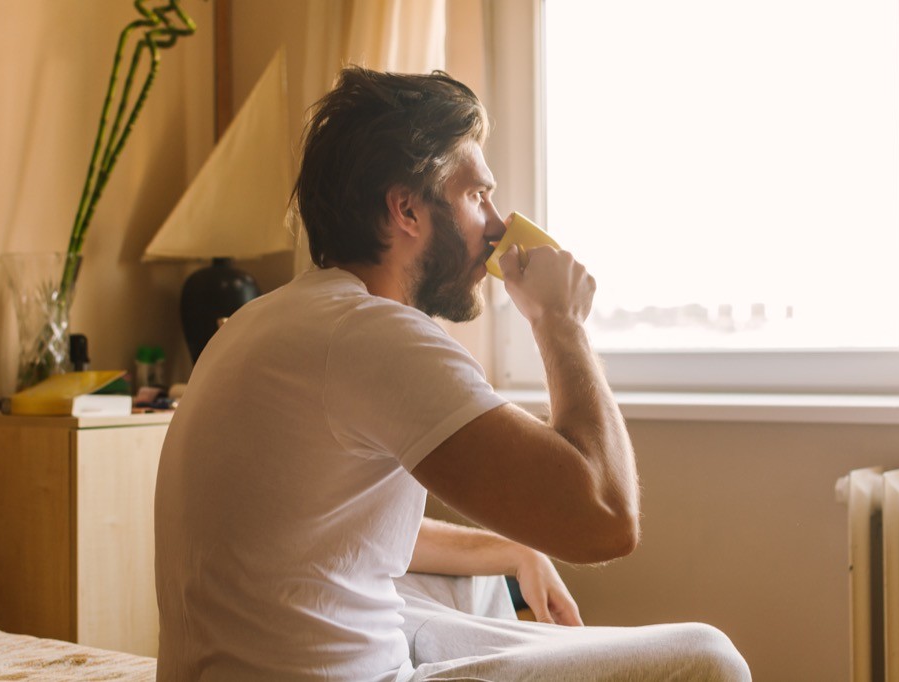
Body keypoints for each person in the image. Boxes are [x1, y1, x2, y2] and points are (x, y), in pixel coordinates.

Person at [153, 66, 751, 681]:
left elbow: (334, 534)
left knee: (474, 586)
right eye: (476, 196)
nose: (495, 225)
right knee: (709, 660)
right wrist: (559, 320)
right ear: (406, 209)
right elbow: (605, 518)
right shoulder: (376, 337)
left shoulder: (266, 319)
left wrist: (513, 548)